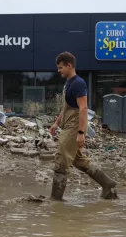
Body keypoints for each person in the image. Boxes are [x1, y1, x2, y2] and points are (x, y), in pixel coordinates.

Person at [49, 52, 117, 201]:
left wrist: (81, 133)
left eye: (60, 67)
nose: (58, 70)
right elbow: (66, 107)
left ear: (69, 65)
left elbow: (83, 109)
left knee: (61, 159)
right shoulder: (68, 83)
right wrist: (56, 123)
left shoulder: (78, 83)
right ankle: (107, 183)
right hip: (68, 124)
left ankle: (55, 200)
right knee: (78, 160)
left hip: (74, 127)